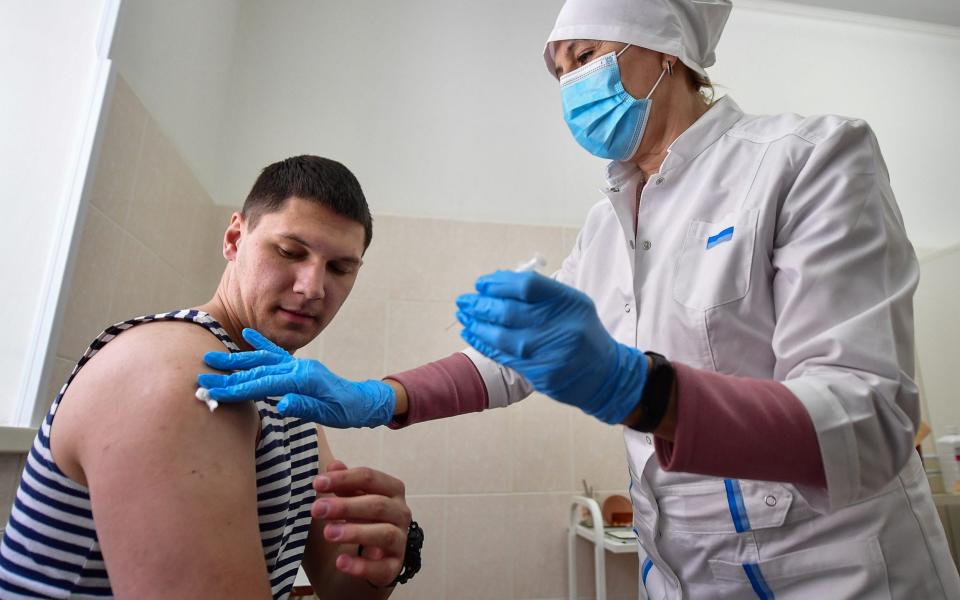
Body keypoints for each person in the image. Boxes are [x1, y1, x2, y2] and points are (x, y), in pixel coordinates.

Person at [196, 1, 960, 598]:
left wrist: (643, 389)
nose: (570, 86)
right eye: (559, 69)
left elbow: (869, 418)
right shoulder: (609, 225)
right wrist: (377, 396)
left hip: (844, 578)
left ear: (665, 50)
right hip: (691, 578)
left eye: (586, 57)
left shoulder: (809, 161)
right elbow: (504, 365)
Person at [0, 156, 422, 599]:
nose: (312, 287)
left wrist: (380, 559)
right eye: (289, 252)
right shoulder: (172, 369)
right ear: (235, 238)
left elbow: (340, 588)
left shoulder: (283, 390)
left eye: (339, 268)